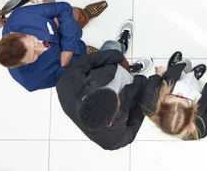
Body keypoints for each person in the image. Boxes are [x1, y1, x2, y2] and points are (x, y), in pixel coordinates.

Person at [55, 21, 154, 150]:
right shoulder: (112, 141)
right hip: (132, 89)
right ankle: (132, 73)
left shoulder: (65, 86)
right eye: (117, 98)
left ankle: (122, 49)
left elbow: (87, 61)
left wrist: (117, 58)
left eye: (105, 88)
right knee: (131, 80)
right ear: (110, 122)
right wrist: (145, 92)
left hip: (107, 66)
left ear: (85, 98)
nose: (113, 87)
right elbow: (136, 119)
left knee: (111, 46)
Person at [0, 0, 108, 92]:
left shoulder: (20, 16)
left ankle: (85, 15)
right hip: (76, 59)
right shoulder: (31, 81)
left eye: (33, 41)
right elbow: (68, 76)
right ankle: (86, 52)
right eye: (34, 55)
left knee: (74, 15)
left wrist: (68, 49)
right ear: (21, 65)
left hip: (65, 29)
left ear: (15, 34)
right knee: (88, 62)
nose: (40, 48)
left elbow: (63, 8)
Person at [142, 50, 207, 140]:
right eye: (183, 98)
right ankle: (193, 77)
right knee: (192, 83)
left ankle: (176, 68)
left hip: (172, 81)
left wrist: (159, 74)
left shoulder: (149, 103)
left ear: (161, 104)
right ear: (193, 111)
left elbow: (151, 84)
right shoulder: (200, 129)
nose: (179, 93)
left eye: (173, 96)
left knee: (180, 70)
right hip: (196, 92)